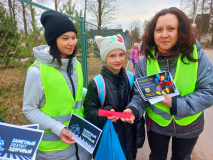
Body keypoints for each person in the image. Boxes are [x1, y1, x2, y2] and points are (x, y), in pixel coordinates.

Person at [126, 7, 213, 160]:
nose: (164, 34)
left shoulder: (196, 55)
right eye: (159, 29)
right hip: (157, 124)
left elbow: (209, 91)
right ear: (153, 33)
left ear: (180, 31)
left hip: (190, 124)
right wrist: (133, 109)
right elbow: (140, 93)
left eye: (171, 28)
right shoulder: (144, 60)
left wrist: (176, 104)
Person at [22, 10, 91, 160]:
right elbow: (29, 109)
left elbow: (75, 91)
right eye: (65, 38)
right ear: (54, 40)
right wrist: (58, 128)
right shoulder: (37, 72)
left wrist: (95, 91)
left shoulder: (75, 64)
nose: (72, 43)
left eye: (74, 37)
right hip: (54, 152)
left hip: (81, 143)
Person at [83, 34, 145, 160]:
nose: (118, 60)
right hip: (108, 142)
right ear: (104, 57)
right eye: (112, 56)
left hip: (130, 141)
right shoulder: (97, 84)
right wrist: (106, 113)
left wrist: (139, 137)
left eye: (121, 54)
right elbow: (89, 112)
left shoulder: (130, 78)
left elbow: (138, 103)